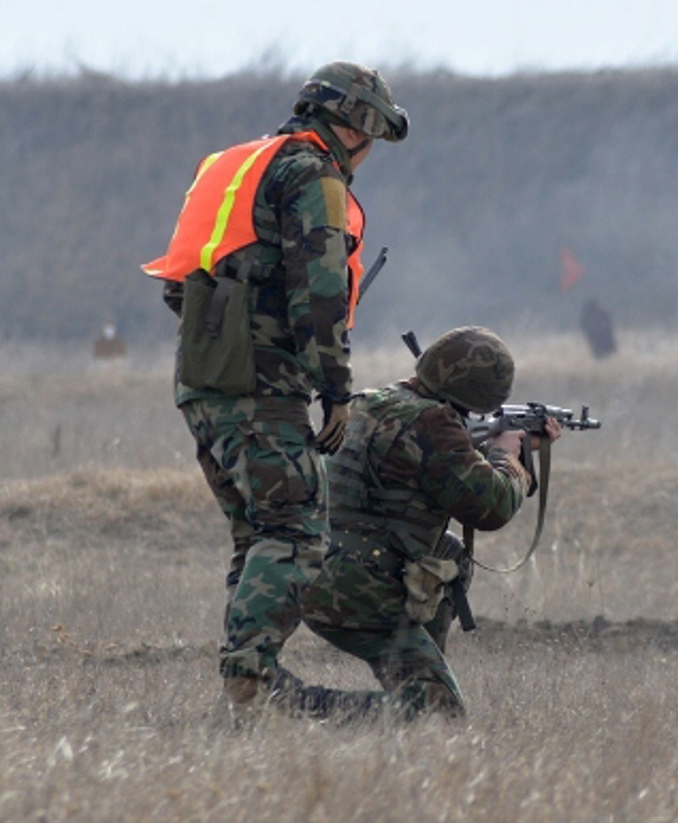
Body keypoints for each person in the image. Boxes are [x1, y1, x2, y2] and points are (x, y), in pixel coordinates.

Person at [143, 62, 409, 716]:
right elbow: (317, 294)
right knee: (295, 530)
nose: (368, 156)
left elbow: (188, 286)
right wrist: (335, 388)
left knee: (257, 534)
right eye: (371, 140)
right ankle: (250, 679)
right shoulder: (312, 176)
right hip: (264, 388)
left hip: (205, 381)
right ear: (353, 127)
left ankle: (250, 688)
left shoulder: (240, 165)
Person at [270, 326, 562, 721]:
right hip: (360, 592)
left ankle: (418, 676)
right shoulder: (434, 423)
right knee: (437, 718)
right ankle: (294, 705)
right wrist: (509, 458)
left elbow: (421, 465)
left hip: (314, 573)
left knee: (449, 552)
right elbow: (490, 507)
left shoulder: (374, 401)